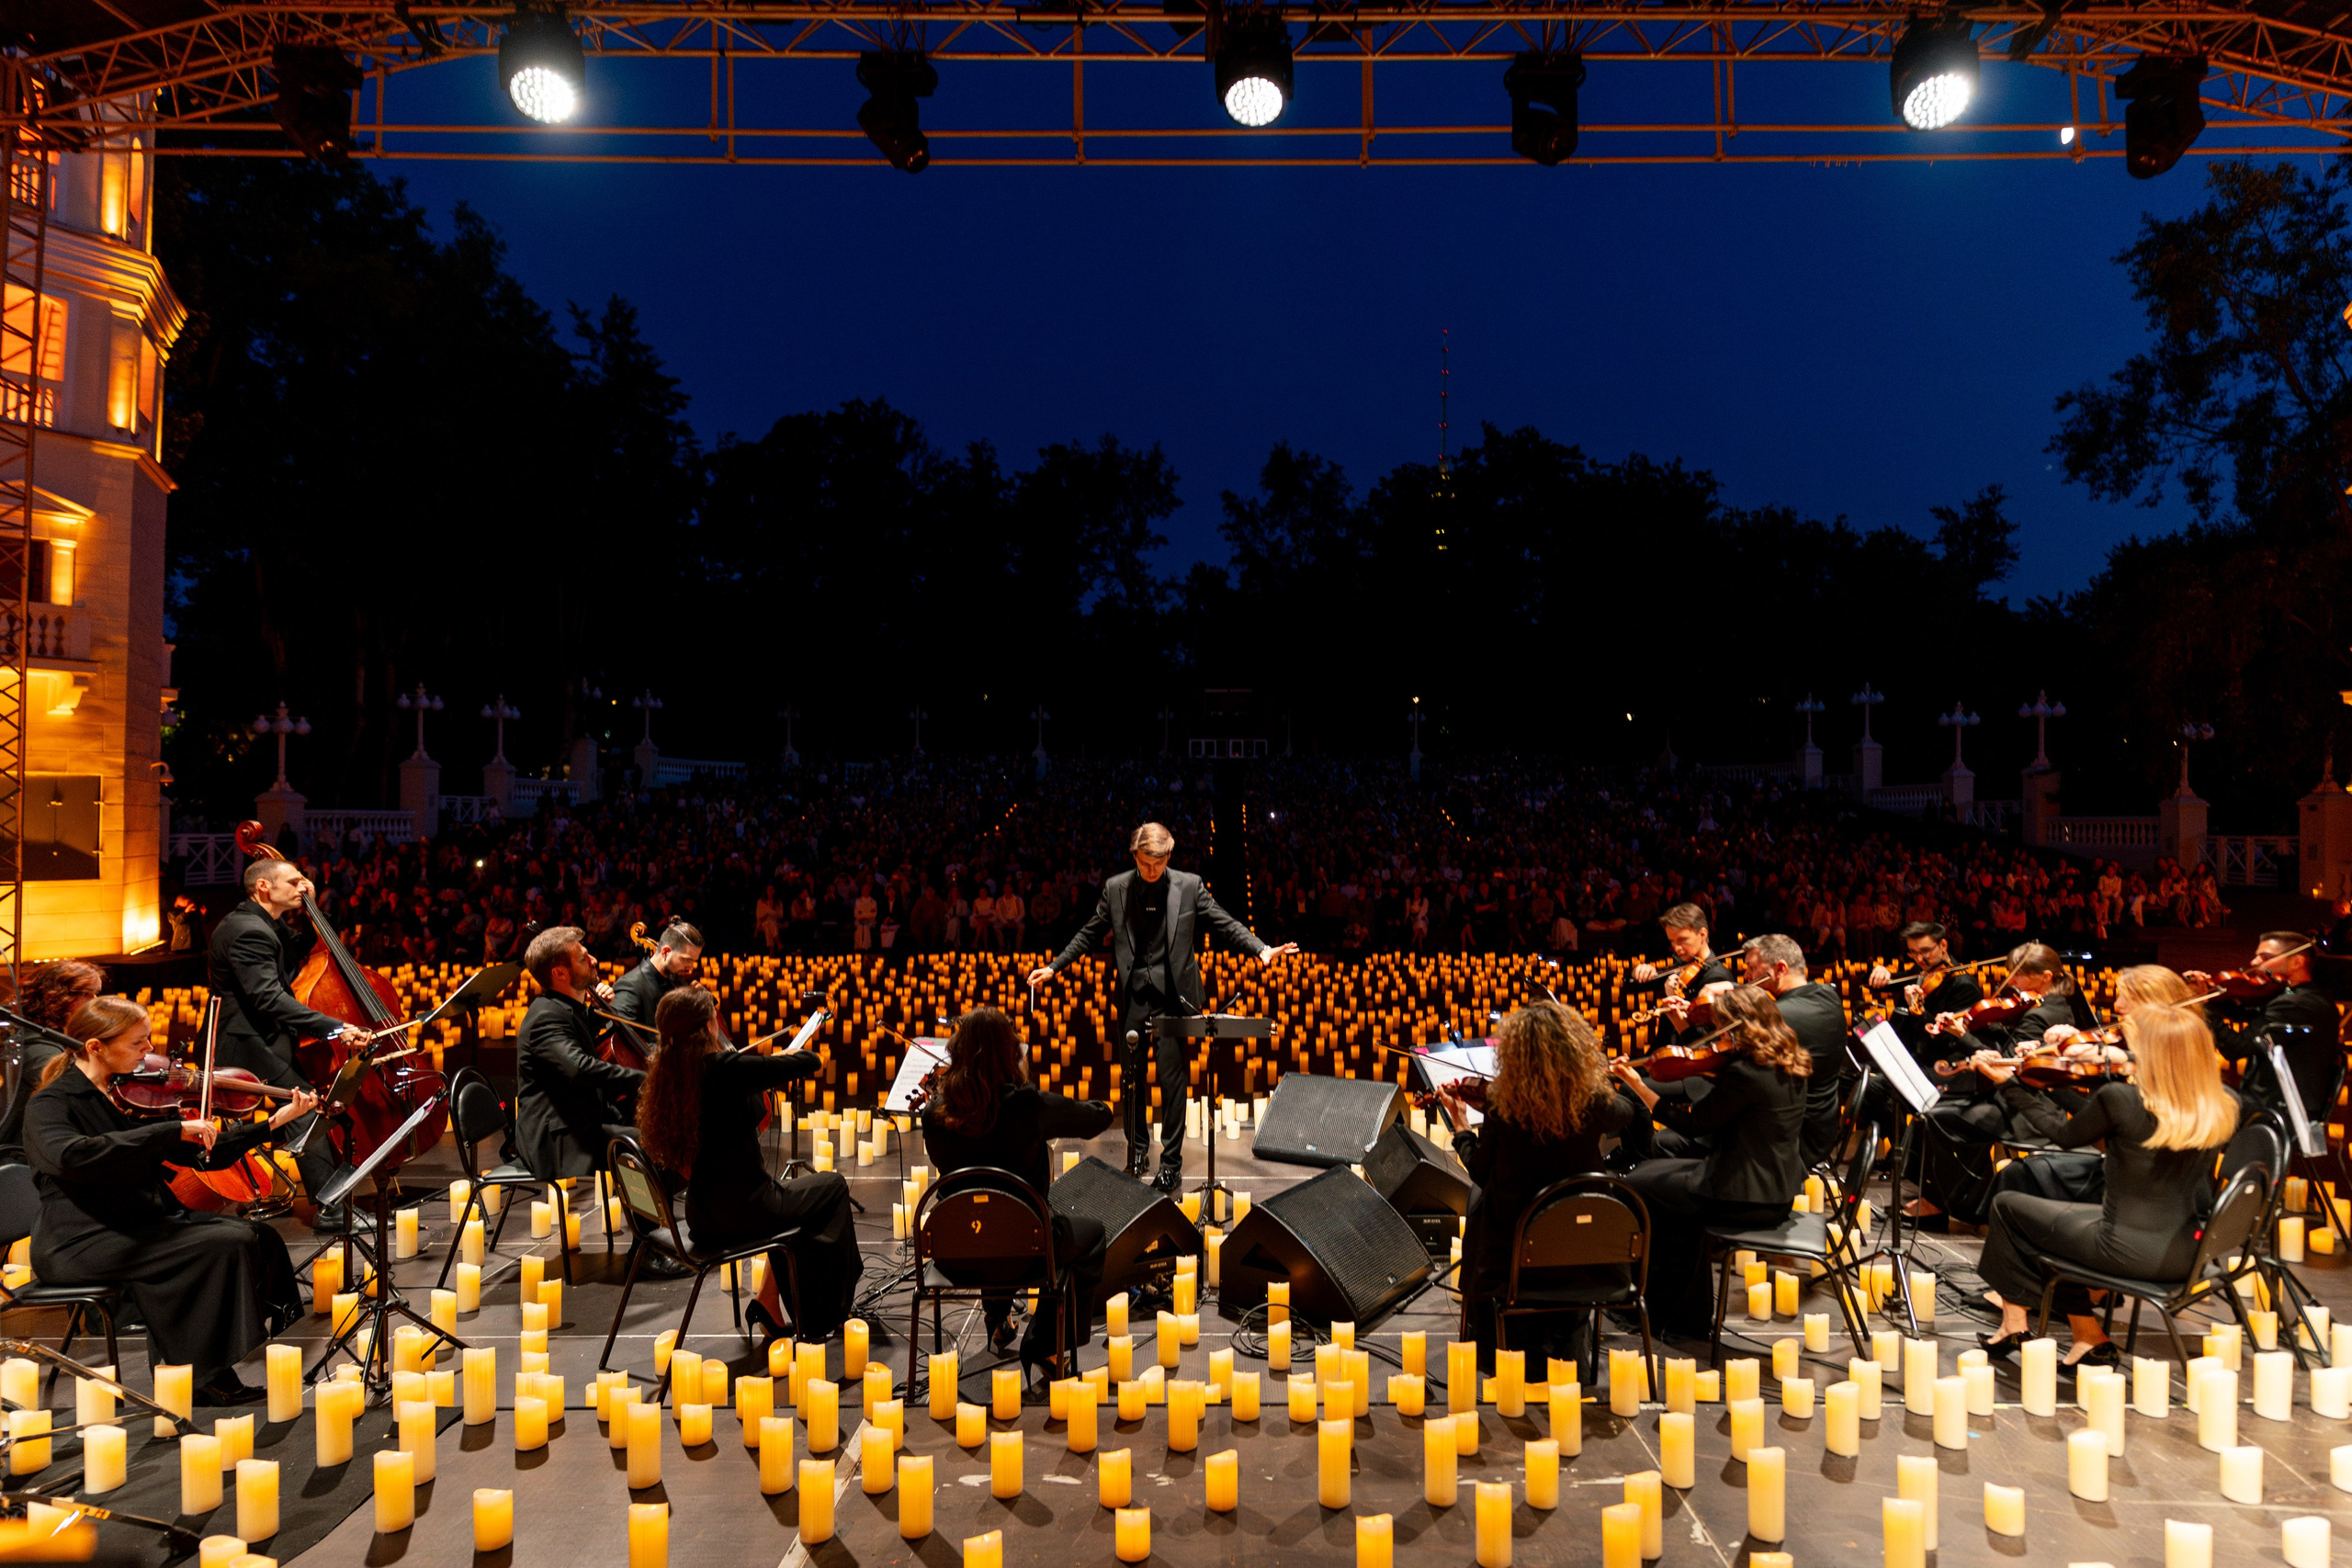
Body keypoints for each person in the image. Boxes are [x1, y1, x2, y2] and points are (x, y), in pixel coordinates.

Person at [25, 996, 318, 1405]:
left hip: (137, 1222)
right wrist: (168, 1132)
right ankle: (200, 1377)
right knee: (219, 1245)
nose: (150, 1052)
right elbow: (70, 1155)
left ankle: (190, 1368)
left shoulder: (124, 1092)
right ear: (95, 1047)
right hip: (80, 1239)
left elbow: (198, 1153)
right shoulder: (52, 1103)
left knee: (254, 1235)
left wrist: (269, 1125)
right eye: (138, 1044)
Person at [1028, 822, 1297, 1191]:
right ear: (1135, 857)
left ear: (1168, 856)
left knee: (1173, 1083)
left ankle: (1170, 1163)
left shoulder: (1189, 886)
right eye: (1143, 863)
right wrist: (1055, 966)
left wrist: (1261, 949)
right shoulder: (1116, 888)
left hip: (1174, 1000)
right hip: (1133, 997)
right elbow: (1090, 932)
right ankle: (1137, 1150)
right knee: (1131, 1081)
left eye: (1156, 864)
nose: (1150, 871)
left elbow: (1224, 923)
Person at [1973, 1002, 2241, 1371]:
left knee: (2008, 1205)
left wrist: (2012, 1087)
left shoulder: (2124, 1099)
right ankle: (2080, 1336)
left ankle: (2017, 1322)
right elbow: (2110, 1120)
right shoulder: (2223, 1104)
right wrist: (2047, 1083)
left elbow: (2064, 1134)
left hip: (2123, 1250)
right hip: (2189, 1256)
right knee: (2055, 1229)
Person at [635, 986, 863, 1341]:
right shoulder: (723, 1067)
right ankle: (823, 1313)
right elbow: (810, 1061)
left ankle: (767, 1303)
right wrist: (780, 1056)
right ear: (710, 1025)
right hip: (748, 1211)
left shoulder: (668, 1071)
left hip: (702, 1215)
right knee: (832, 1187)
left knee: (797, 1205)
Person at [1446, 1000, 1650, 1371]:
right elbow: (1628, 1110)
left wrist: (1461, 1125)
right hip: (1589, 1256)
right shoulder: (1594, 1101)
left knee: (1480, 1199)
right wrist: (1595, 1077)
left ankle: (1488, 1331)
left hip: (1515, 1256)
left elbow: (1480, 1169)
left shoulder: (1503, 1105)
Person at [919, 1007, 1114, 1371]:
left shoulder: (934, 1114)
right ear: (1010, 1053)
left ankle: (997, 1321)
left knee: (986, 1212)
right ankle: (1043, 1343)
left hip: (956, 1251)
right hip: (1028, 1251)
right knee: (1089, 1236)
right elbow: (1098, 1116)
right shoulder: (1026, 1105)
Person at [1614, 985, 1811, 1333]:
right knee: (1650, 1172)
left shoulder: (1746, 1073)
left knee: (1635, 1186)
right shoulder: (1787, 1057)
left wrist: (1637, 1085)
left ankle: (1665, 1311)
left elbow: (1692, 1124)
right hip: (1776, 1187)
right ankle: (1681, 1307)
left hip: (1746, 1197)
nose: (1719, 1038)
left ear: (1740, 1027)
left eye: (1723, 1027)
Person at [208, 857, 362, 1230]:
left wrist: (315, 908)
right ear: (264, 887)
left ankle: (331, 1197)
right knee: (305, 1110)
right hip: (246, 1044)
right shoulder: (248, 931)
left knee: (308, 1108)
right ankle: (329, 1209)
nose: (302, 886)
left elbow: (299, 950)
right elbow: (269, 999)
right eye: (293, 882)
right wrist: (335, 1027)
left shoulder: (262, 923)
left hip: (264, 1037)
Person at [1911, 942, 2086, 1226]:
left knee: (1940, 1117)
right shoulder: (2046, 1004)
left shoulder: (2045, 1014)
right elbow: (2010, 1041)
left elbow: (2005, 1066)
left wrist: (1962, 1035)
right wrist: (1976, 1024)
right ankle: (1942, 1197)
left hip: (2024, 1106)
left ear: (2046, 978)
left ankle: (1964, 1205)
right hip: (2015, 1096)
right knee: (1937, 1111)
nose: (2012, 982)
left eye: (2019, 975)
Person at [515, 925, 650, 1183]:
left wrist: (596, 1014)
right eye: (582, 959)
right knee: (647, 1147)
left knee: (650, 1136)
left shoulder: (564, 1008)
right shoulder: (545, 1016)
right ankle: (649, 1219)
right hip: (558, 1138)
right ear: (559, 973)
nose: (594, 961)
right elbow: (579, 1067)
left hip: (578, 1120)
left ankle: (649, 1216)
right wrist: (643, 1078)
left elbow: (573, 1034)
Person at [2186, 931, 2339, 1122]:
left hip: (2280, 1110)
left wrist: (2205, 1005)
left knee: (2187, 1100)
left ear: (2297, 962)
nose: (2254, 962)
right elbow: (2242, 1014)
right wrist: (2209, 991)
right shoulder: (2293, 997)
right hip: (2267, 1101)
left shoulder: (2298, 1004)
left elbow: (2236, 1047)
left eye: (2265, 957)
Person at [1738, 934, 1851, 1166]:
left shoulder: (1781, 1016)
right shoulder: (1827, 996)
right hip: (1821, 1128)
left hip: (1790, 1140)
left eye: (1751, 968)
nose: (1746, 977)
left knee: (1674, 1140)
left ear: (1780, 969)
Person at [0, 960, 106, 1166]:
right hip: (18, 1161)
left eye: (96, 993)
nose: (95, 1002)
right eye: (87, 993)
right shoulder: (39, 1049)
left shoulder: (53, 1042)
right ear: (58, 997)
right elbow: (77, 1090)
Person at [608, 921, 702, 1062]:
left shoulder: (675, 980)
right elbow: (624, 1044)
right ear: (665, 952)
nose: (690, 968)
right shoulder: (630, 986)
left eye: (693, 961)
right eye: (686, 960)